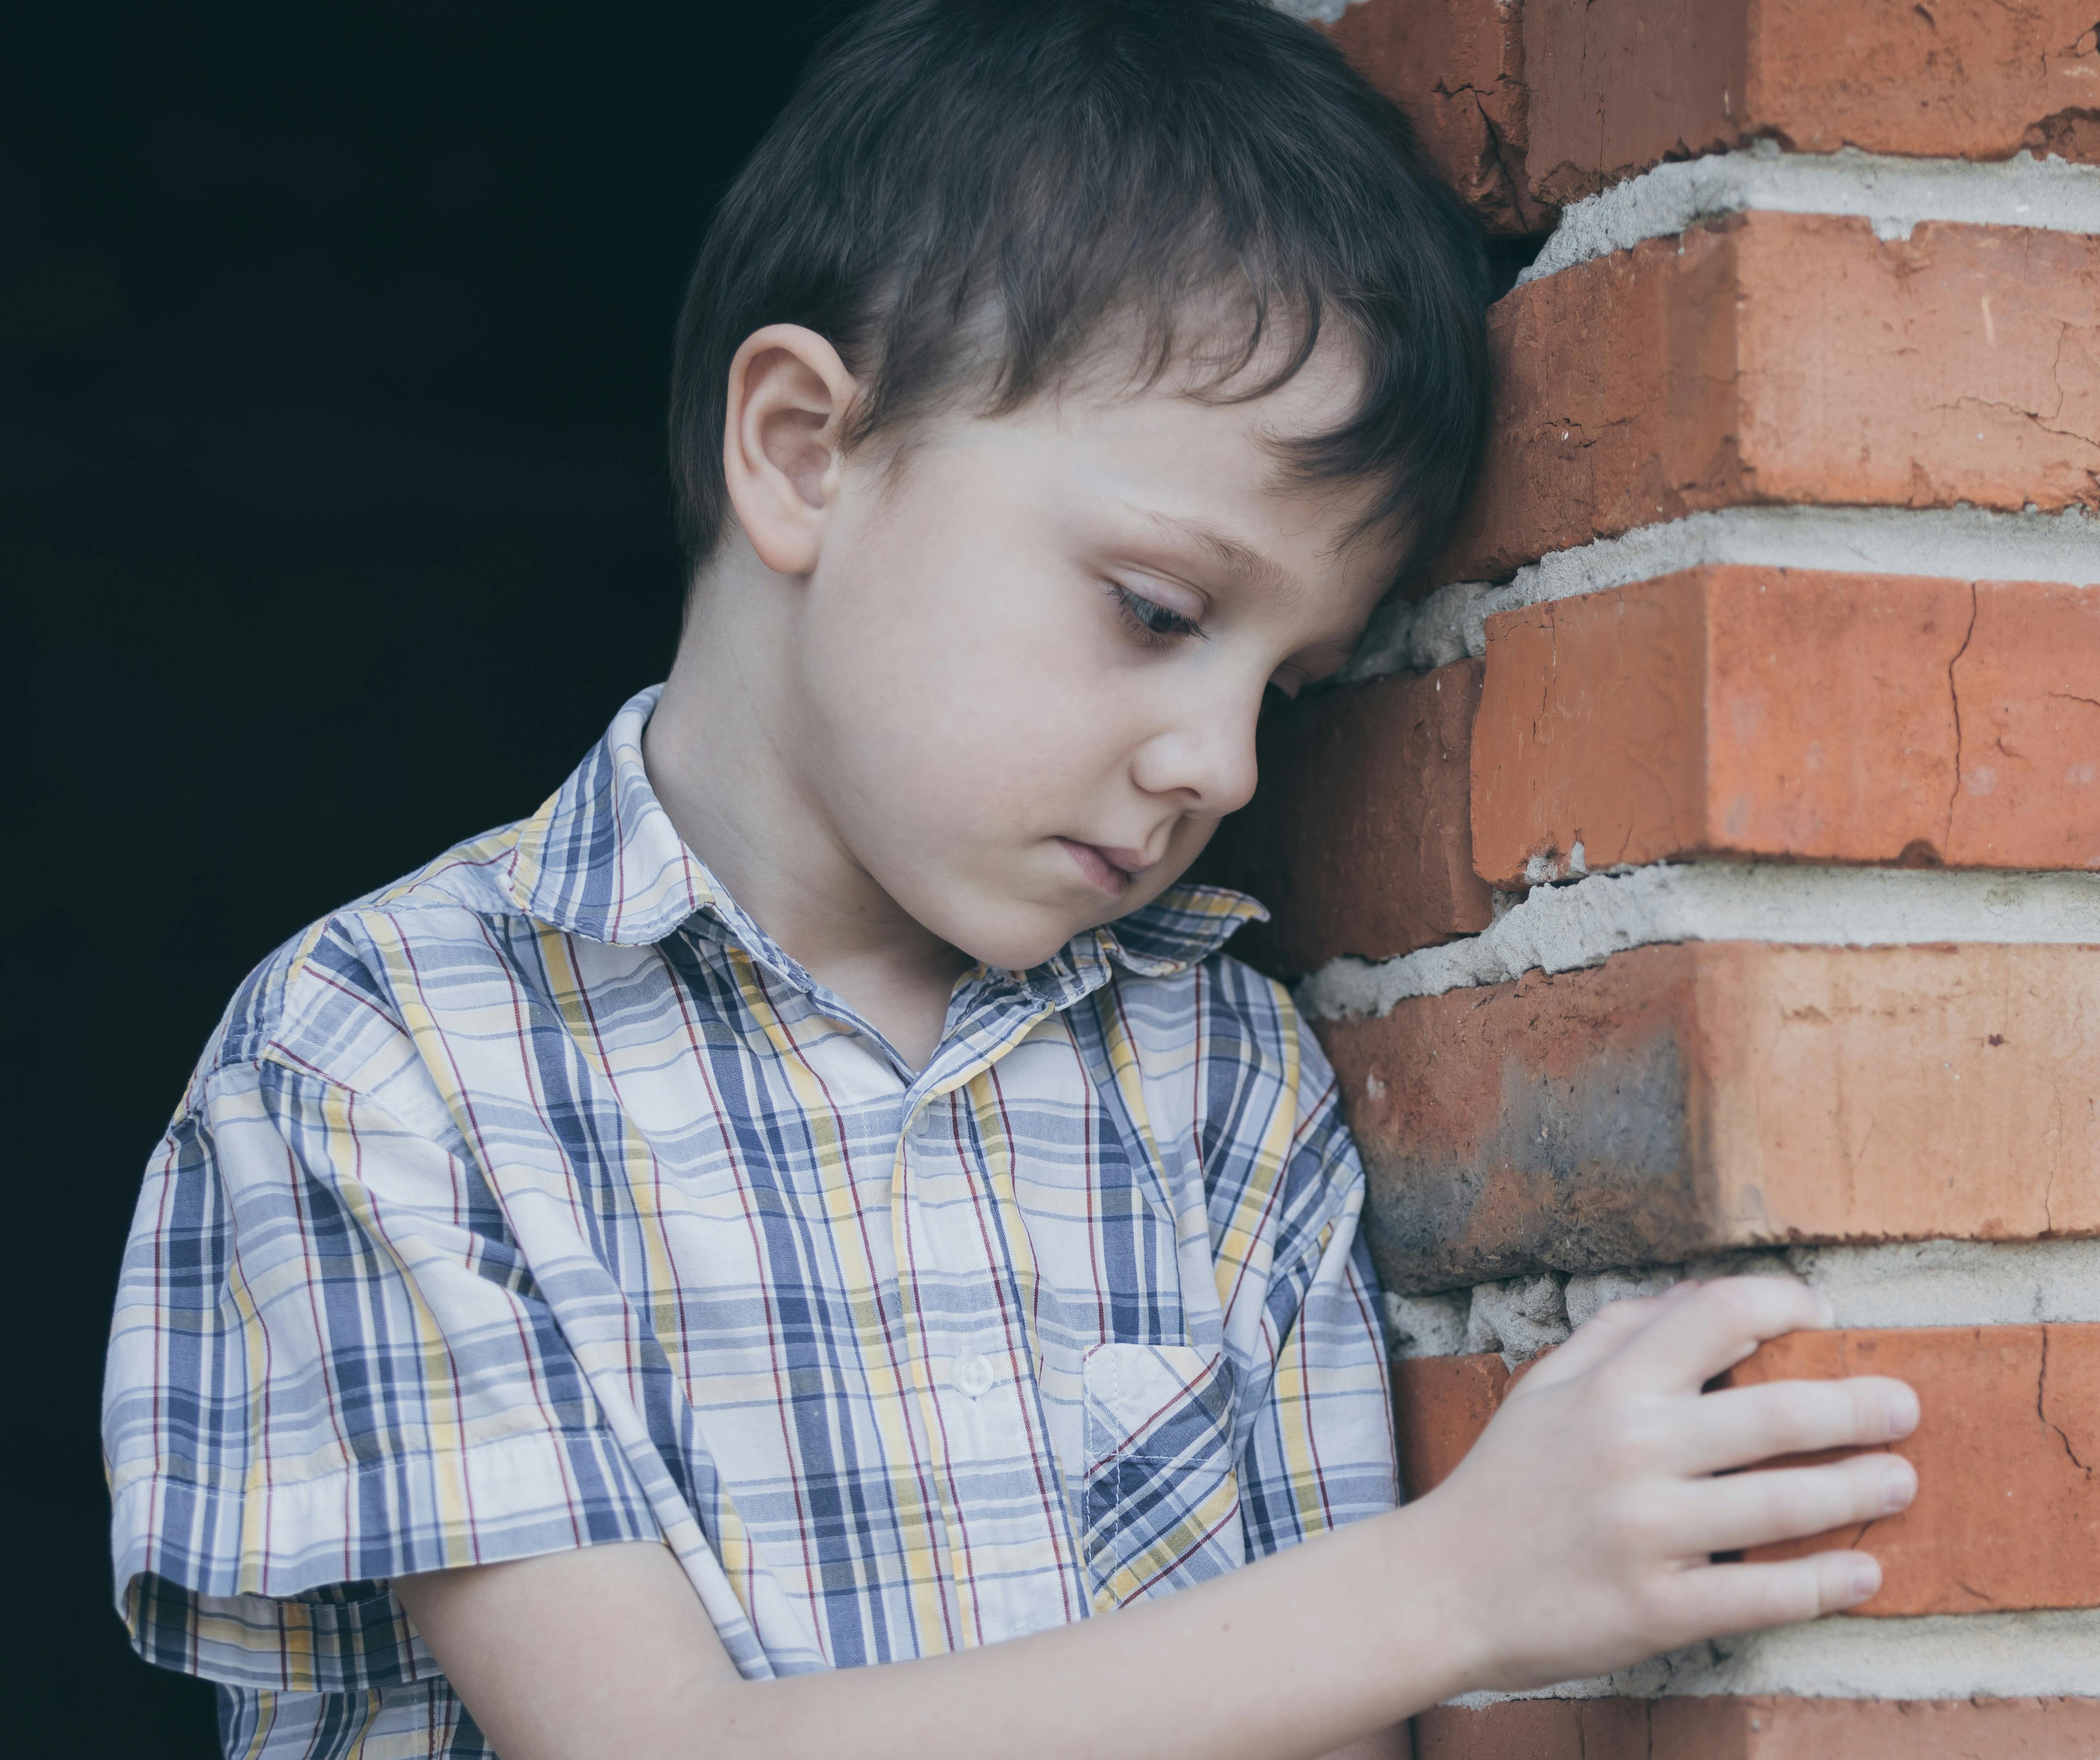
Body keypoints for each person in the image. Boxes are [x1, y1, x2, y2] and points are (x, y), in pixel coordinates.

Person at [99, 3, 1923, 1755]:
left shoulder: (1217, 1079)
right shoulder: (390, 1063)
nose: (1221, 762)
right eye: (1156, 611)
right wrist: (1455, 1587)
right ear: (806, 454)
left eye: (1285, 689)